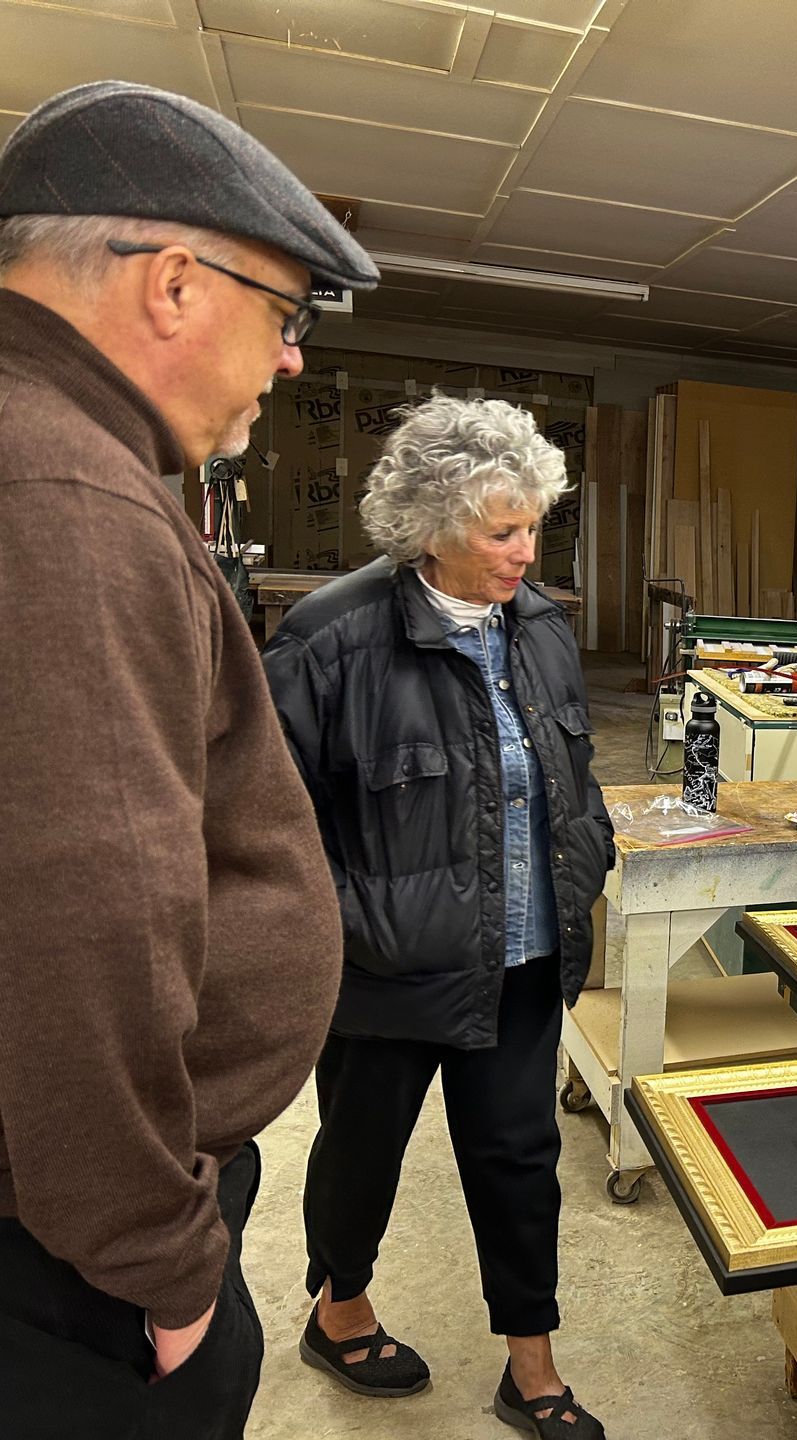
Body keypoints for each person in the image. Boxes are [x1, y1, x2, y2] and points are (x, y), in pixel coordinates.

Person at [0, 82, 378, 1438]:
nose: (290, 361)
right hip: (72, 1262)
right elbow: (79, 923)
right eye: (286, 314)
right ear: (172, 285)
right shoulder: (67, 495)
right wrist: (157, 1266)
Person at [263, 394, 616, 1438]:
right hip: (389, 967)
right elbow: (268, 824)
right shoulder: (331, 639)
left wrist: (586, 855)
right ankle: (340, 1312)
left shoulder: (539, 625)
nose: (526, 552)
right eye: (502, 532)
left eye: (534, 526)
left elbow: (576, 773)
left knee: (520, 1160)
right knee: (360, 1151)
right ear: (430, 527)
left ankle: (531, 1368)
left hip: (523, 954)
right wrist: (351, 925)